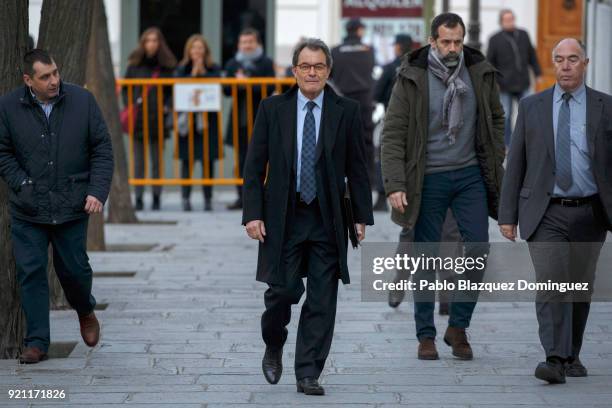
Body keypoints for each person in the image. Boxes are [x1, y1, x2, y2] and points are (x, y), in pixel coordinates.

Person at [242, 38, 373, 395]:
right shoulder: (273, 109)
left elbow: (358, 168)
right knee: (281, 291)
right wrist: (252, 214)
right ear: (295, 70)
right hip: (284, 215)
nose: (312, 72)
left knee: (322, 298)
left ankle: (308, 372)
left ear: (329, 70)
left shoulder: (346, 110)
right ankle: (273, 341)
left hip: (327, 217)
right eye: (305, 66)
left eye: (319, 66)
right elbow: (253, 168)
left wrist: (360, 216)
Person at [381, 13, 505, 361]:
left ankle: (458, 326)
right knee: (425, 256)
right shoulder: (412, 76)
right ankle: (425, 336)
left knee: (479, 248)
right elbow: (392, 134)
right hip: (427, 176)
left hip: (469, 176)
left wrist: (497, 154)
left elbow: (496, 116)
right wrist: (395, 183)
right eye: (446, 42)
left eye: (458, 42)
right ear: (432, 40)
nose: (452, 48)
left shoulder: (479, 72)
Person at [499, 38, 612, 384]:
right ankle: (554, 357)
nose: (565, 65)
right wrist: (507, 215)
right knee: (551, 282)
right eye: (559, 59)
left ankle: (572, 355)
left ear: (585, 63)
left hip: (591, 212)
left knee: (580, 287)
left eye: (573, 59)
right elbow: (516, 160)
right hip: (545, 210)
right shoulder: (532, 107)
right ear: (553, 64)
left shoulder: (605, 107)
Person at [0, 49, 114, 363]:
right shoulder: (8, 107)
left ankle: (85, 309)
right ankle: (37, 342)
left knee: (74, 271)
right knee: (31, 271)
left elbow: (102, 149)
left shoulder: (82, 101)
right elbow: (2, 151)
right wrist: (22, 183)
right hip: (29, 208)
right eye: (45, 77)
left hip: (72, 205)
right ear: (28, 80)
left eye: (55, 73)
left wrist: (96, 191)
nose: (54, 81)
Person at [124, 27, 176, 211]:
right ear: (143, 43)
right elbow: (126, 91)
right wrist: (130, 106)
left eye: (155, 40)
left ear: (160, 43)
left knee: (157, 161)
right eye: (148, 40)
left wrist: (168, 105)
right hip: (139, 119)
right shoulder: (134, 65)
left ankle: (156, 197)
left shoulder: (167, 66)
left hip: (158, 119)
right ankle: (138, 197)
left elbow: (172, 91)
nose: (151, 44)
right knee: (138, 161)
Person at [224, 28, 275, 210]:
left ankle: (262, 196)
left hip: (260, 118)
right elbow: (226, 91)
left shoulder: (266, 63)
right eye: (243, 42)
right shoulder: (232, 63)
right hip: (239, 121)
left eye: (250, 42)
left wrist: (247, 83)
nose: (246, 45)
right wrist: (237, 84)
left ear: (257, 43)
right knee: (241, 160)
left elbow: (269, 88)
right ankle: (242, 197)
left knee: (262, 160)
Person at [331, 19, 377, 204]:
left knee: (340, 143)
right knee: (365, 144)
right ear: (359, 30)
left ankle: (340, 186)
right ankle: (365, 185)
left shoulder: (335, 51)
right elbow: (371, 71)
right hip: (364, 103)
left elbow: (331, 75)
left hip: (342, 101)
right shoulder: (368, 50)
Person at [175, 34, 222, 212]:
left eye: (200, 48)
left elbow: (218, 85)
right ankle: (185, 198)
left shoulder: (214, 67)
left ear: (205, 50)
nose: (197, 51)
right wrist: (193, 75)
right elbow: (178, 86)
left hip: (207, 122)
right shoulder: (182, 68)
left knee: (208, 160)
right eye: (194, 48)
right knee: (187, 160)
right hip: (188, 123)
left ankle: (208, 198)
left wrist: (203, 73)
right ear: (189, 50)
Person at [487, 9, 542, 148]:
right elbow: (490, 63)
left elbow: (532, 56)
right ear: (501, 22)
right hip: (504, 85)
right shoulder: (494, 39)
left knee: (530, 113)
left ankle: (529, 142)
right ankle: (508, 144)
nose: (510, 22)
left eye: (511, 19)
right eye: (506, 19)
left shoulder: (523, 35)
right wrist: (493, 82)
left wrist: (538, 74)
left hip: (523, 82)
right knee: (505, 116)